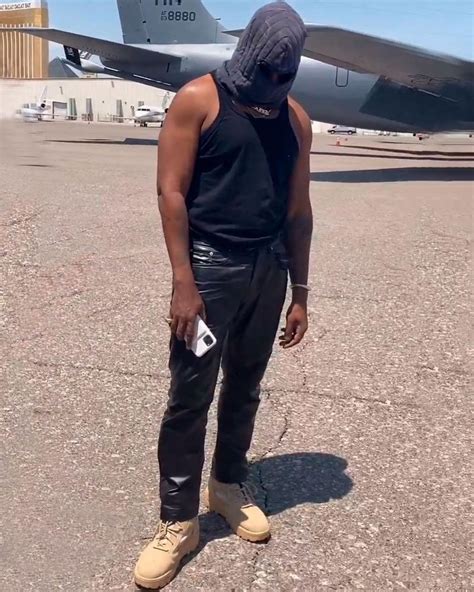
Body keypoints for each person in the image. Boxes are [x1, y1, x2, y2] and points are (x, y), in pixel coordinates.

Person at [134, 2, 313, 588]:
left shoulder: (296, 119)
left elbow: (298, 208)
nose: (273, 83)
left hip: (269, 270)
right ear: (248, 53)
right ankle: (178, 520)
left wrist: (300, 289)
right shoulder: (199, 100)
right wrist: (183, 282)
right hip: (209, 272)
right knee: (190, 396)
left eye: (284, 75)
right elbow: (170, 192)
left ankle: (228, 485)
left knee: (245, 388)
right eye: (265, 71)